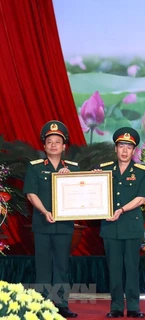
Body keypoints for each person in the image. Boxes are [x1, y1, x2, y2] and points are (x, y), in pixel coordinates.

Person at [23, 120, 79, 318]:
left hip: (64, 226)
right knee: (43, 265)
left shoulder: (73, 168)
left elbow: (84, 193)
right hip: (42, 224)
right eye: (50, 141)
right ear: (44, 146)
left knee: (62, 265)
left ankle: (62, 303)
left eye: (58, 141)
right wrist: (45, 211)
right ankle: (43, 304)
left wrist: (71, 178)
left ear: (64, 147)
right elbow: (31, 193)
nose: (54, 145)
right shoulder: (35, 167)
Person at [98, 127, 145, 318]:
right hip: (110, 227)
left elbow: (142, 198)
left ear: (134, 150)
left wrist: (121, 209)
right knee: (114, 270)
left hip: (131, 226)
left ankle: (134, 307)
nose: (125, 151)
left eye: (129, 147)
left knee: (131, 268)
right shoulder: (103, 170)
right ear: (115, 149)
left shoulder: (141, 172)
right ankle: (117, 307)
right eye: (121, 146)